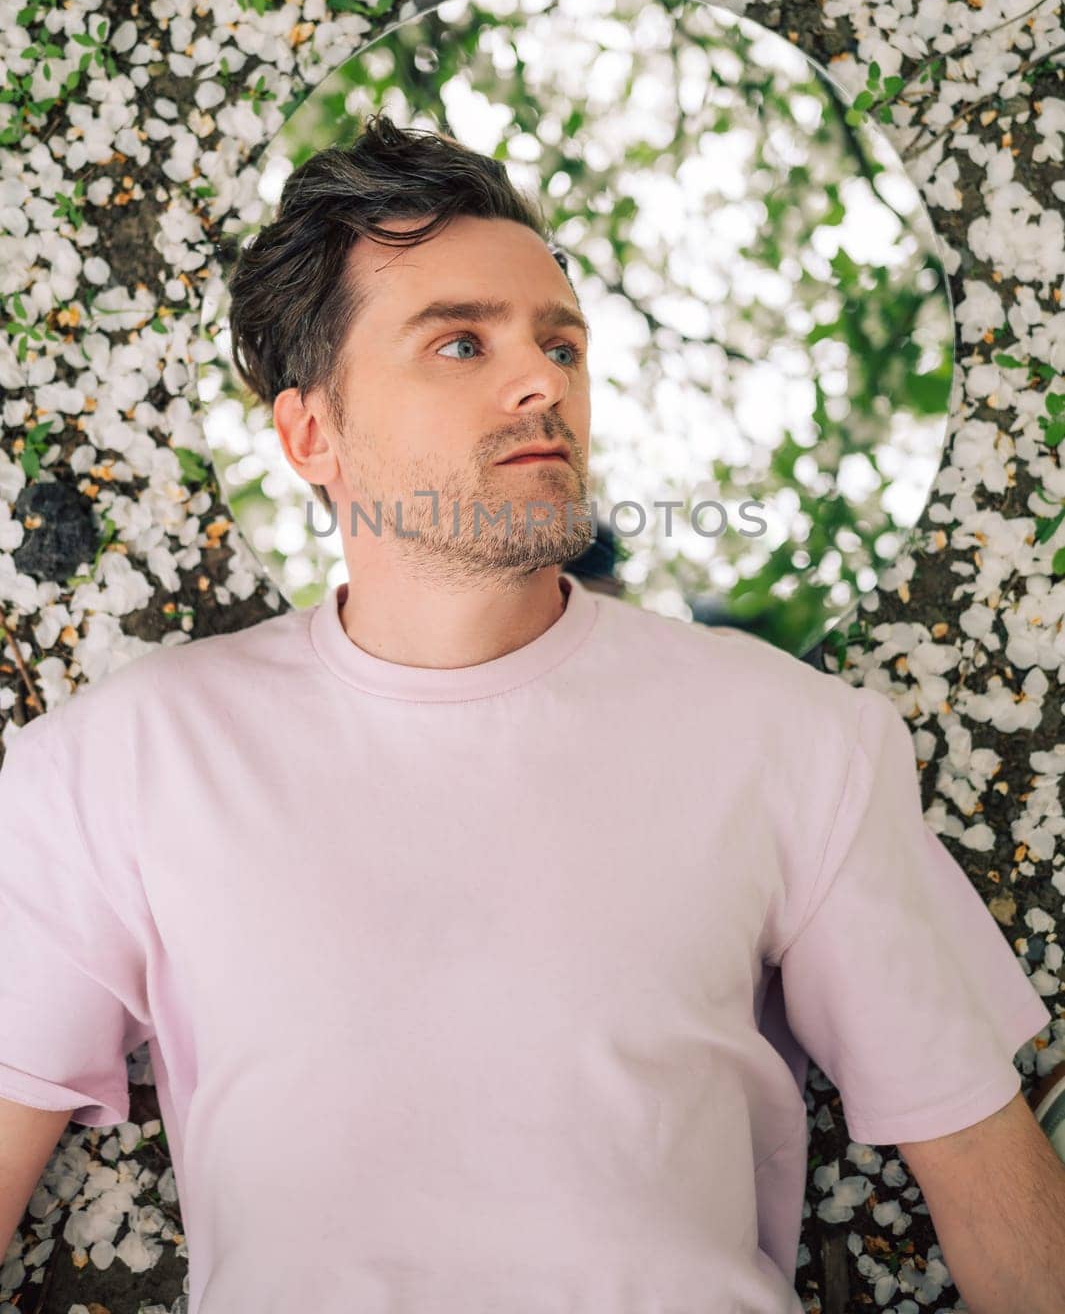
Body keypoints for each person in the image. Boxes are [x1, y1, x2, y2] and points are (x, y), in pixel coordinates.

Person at [1, 112, 1062, 1313]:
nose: (541, 381)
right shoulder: (120, 765)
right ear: (312, 434)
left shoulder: (795, 740)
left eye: (563, 344)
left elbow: (992, 1190)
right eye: (460, 343)